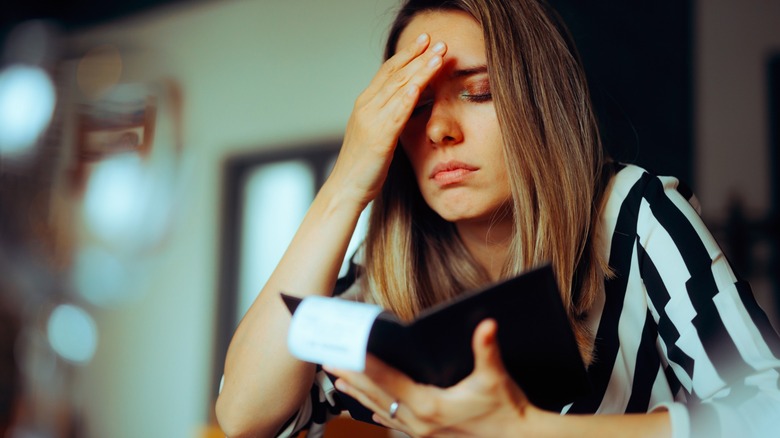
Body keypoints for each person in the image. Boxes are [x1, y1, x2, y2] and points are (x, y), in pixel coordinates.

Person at [215, 0, 780, 436]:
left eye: (479, 92)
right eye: (414, 107)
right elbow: (245, 418)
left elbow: (768, 409)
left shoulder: (634, 212)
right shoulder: (380, 277)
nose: (439, 131)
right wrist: (344, 186)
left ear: (539, 103)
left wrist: (527, 431)